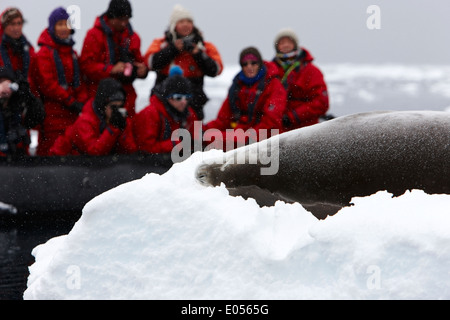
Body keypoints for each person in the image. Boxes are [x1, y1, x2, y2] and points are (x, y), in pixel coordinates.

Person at [144, 4, 223, 120]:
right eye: (181, 21)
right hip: (164, 101)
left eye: (189, 21)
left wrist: (198, 54)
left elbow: (216, 69)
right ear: (174, 25)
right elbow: (150, 63)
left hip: (194, 102)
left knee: (193, 135)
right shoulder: (161, 44)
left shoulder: (204, 47)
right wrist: (172, 49)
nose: (186, 24)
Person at [205, 47, 286, 148]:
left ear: (259, 64)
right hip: (242, 136)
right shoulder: (237, 87)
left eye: (253, 63)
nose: (249, 66)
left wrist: (249, 138)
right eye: (245, 64)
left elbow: (271, 121)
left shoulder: (273, 85)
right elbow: (223, 119)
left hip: (266, 139)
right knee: (204, 137)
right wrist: (203, 130)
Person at [34, 7, 89, 156]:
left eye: (67, 24)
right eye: (60, 24)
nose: (64, 28)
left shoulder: (73, 54)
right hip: (52, 114)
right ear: (52, 27)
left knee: (72, 151)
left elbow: (80, 83)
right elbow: (48, 85)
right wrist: (71, 101)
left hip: (72, 115)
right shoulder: (44, 54)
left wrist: (83, 103)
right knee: (50, 151)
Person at [79, 0, 148, 119]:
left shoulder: (133, 37)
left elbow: (140, 62)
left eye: (126, 19)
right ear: (110, 17)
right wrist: (111, 69)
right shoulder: (94, 35)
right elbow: (86, 66)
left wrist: (143, 70)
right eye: (120, 19)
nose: (123, 23)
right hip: (99, 95)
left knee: (126, 133)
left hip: (127, 96)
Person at [49, 78, 137, 156]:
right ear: (103, 105)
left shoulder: (118, 119)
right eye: (113, 107)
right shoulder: (85, 121)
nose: (116, 111)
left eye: (120, 107)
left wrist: (122, 129)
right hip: (63, 162)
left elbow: (129, 151)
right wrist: (112, 129)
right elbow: (94, 152)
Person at [272, 28, 329, 131]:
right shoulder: (271, 71)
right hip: (278, 130)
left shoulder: (311, 71)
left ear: (295, 44)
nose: (285, 45)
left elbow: (321, 103)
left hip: (306, 131)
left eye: (289, 42)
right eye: (281, 42)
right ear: (277, 47)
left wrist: (293, 116)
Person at [134, 69, 199, 154]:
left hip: (169, 160)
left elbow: (197, 138)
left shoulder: (189, 114)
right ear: (167, 97)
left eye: (187, 98)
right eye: (178, 97)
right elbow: (146, 149)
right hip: (148, 163)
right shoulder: (150, 114)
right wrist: (178, 143)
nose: (184, 102)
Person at [0, 66, 45, 157]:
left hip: (17, 159)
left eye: (8, 85)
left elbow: (37, 116)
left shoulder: (17, 108)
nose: (5, 90)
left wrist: (27, 95)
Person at [0, 8, 38, 93]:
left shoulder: (28, 48)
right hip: (4, 98)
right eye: (12, 24)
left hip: (25, 95)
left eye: (19, 23)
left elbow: (35, 76)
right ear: (4, 25)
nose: (16, 27)